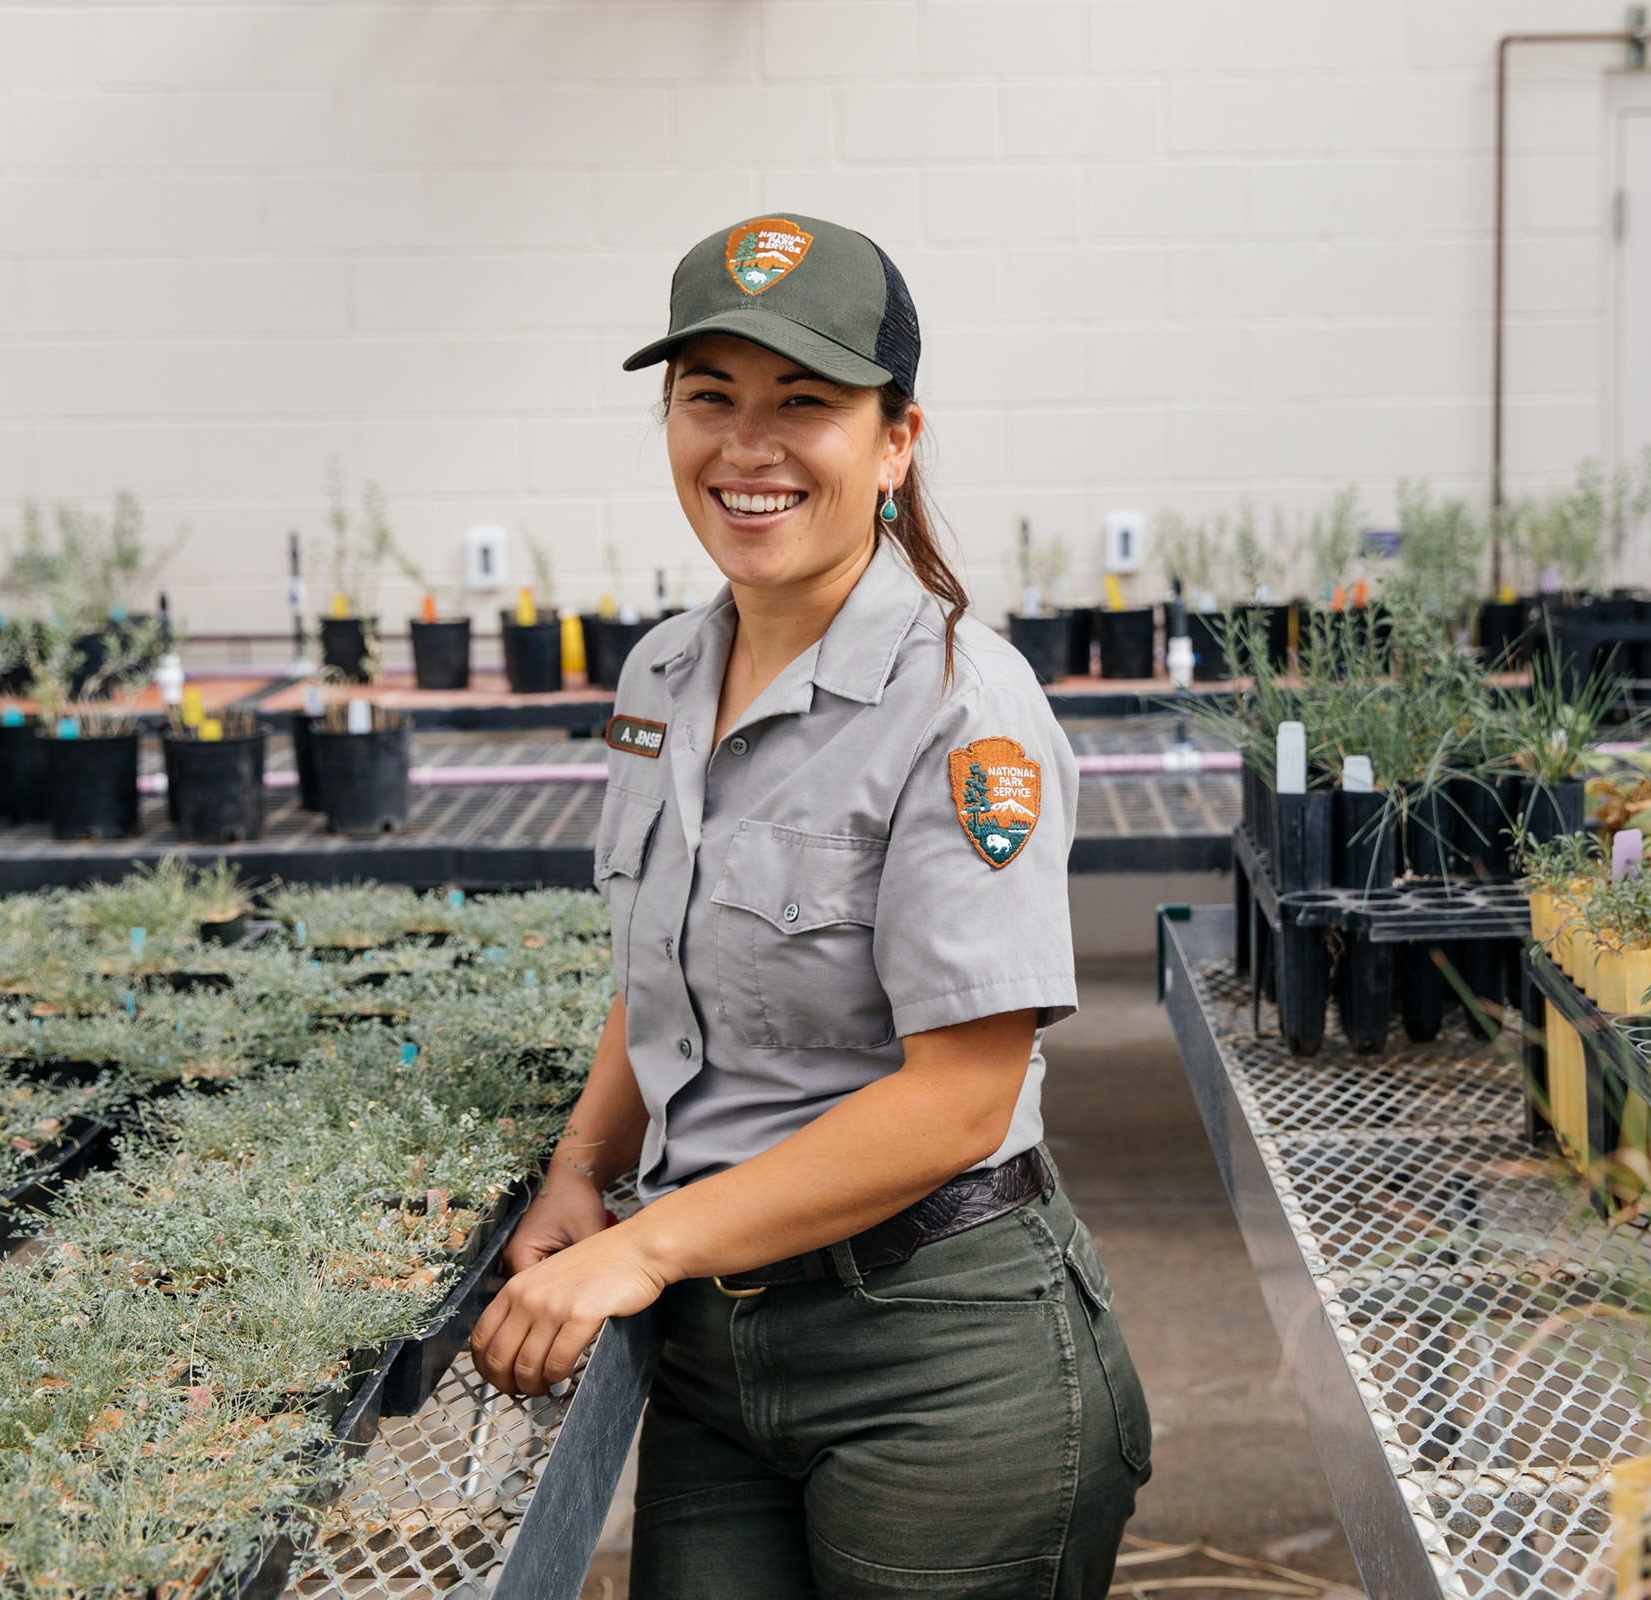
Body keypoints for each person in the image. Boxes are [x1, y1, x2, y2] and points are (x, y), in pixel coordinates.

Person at [470, 213, 1152, 1598]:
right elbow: (660, 963)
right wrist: (579, 1174)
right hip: (719, 1357)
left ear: (896, 440)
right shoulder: (663, 675)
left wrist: (633, 1254)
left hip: (939, 1359)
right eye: (708, 398)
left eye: (805, 403)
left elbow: (959, 1098)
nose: (748, 445)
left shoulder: (965, 711)